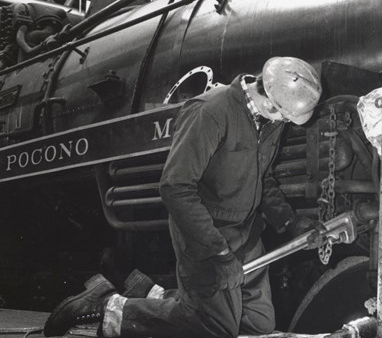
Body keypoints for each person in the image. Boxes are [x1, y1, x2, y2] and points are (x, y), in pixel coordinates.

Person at [43, 57, 325, 337]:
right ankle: (107, 307)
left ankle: (150, 293)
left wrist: (290, 222)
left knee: (256, 325)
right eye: (285, 116)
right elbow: (175, 187)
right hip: (204, 230)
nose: (286, 122)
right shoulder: (211, 111)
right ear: (268, 102)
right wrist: (217, 252)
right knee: (214, 328)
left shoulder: (269, 120)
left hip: (246, 232)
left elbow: (264, 176)